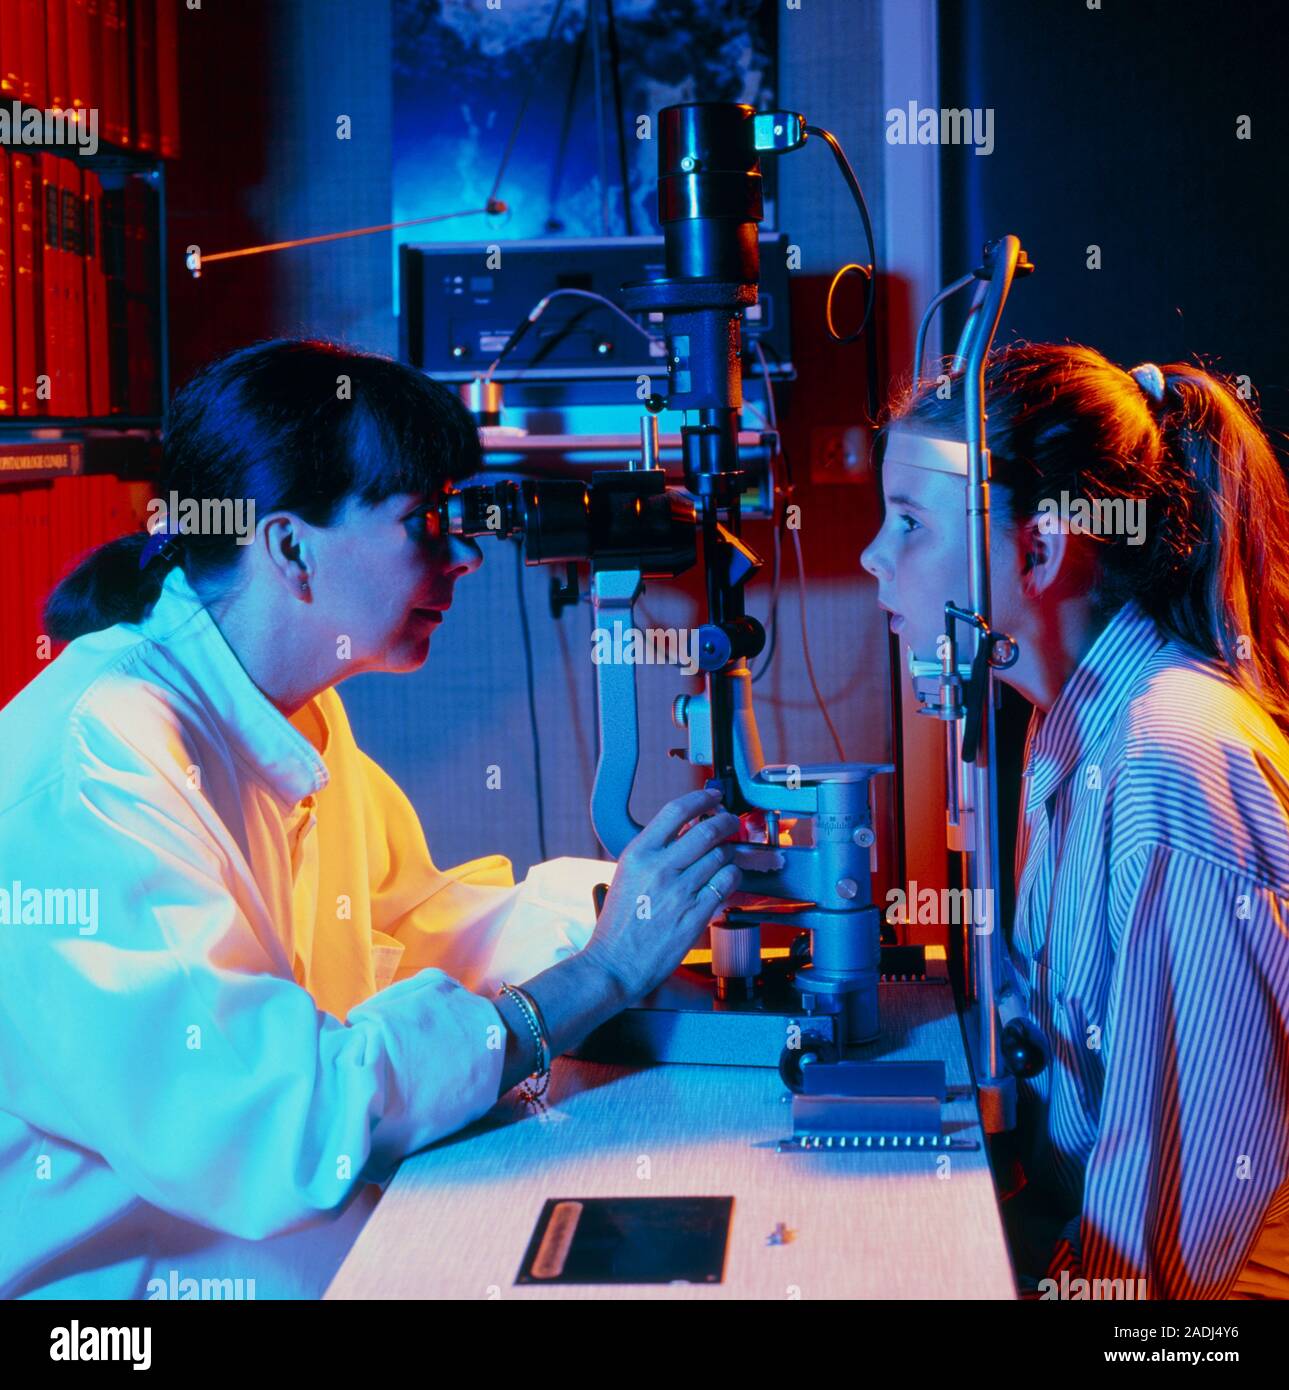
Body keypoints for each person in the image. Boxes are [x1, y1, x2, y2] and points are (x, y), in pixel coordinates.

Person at [0, 338, 772, 1299]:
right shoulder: (98, 767)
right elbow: (288, 1120)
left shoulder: (290, 710)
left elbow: (413, 933)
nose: (463, 557)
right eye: (423, 520)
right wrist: (600, 972)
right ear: (289, 547)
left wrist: (651, 898)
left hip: (291, 1245)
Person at [860, 343, 1289, 1299]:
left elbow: (1175, 1242)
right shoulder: (1067, 729)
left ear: (1039, 549)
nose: (871, 558)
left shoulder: (1172, 761)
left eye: (907, 524)